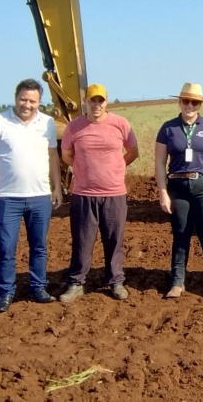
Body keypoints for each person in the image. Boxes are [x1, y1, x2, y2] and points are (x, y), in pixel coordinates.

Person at [0, 78, 62, 313]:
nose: (27, 104)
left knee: (39, 246)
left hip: (40, 195)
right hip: (8, 197)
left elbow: (53, 156)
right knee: (6, 247)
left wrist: (57, 187)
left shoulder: (48, 123)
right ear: (15, 98)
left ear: (39, 102)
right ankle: (5, 292)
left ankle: (38, 287)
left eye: (33, 101)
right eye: (23, 99)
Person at [58, 84, 139, 303]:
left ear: (106, 102)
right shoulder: (74, 127)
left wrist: (116, 168)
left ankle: (116, 281)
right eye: (92, 100)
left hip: (114, 193)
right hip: (84, 193)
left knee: (114, 239)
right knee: (82, 240)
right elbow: (66, 154)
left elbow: (133, 152)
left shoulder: (120, 124)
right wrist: (81, 168)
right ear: (85, 101)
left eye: (100, 100)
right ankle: (76, 283)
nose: (96, 105)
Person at [155, 83, 203, 300]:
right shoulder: (168, 128)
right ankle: (177, 282)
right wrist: (162, 192)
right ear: (179, 102)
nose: (189, 105)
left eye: (194, 102)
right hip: (178, 186)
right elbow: (159, 162)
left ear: (200, 104)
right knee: (180, 235)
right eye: (186, 101)